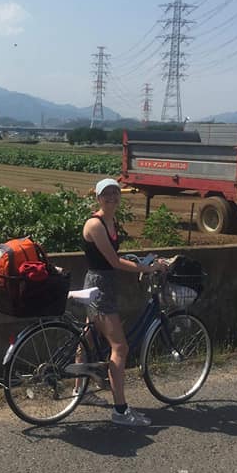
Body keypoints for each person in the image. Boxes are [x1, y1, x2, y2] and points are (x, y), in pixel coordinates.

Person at [82, 177, 166, 427]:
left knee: (86, 337)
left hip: (103, 284)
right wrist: (146, 268)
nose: (111, 197)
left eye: (115, 193)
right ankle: (120, 410)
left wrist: (139, 260)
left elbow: (116, 256)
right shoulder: (95, 224)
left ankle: (80, 391)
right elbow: (113, 262)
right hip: (100, 287)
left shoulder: (111, 221)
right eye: (106, 194)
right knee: (120, 348)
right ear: (97, 197)